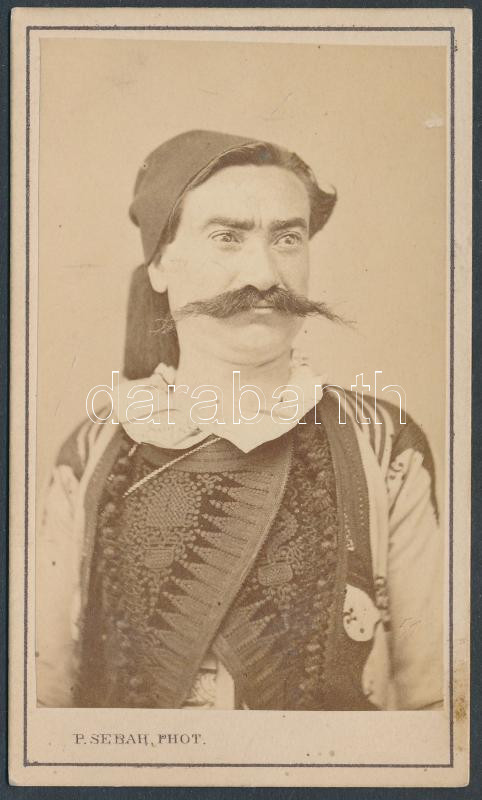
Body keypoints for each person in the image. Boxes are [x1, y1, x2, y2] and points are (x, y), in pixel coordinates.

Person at [36, 130, 443, 710]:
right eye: (227, 237)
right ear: (160, 265)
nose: (264, 275)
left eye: (288, 239)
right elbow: (41, 699)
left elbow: (439, 700)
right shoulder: (94, 453)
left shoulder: (381, 446)